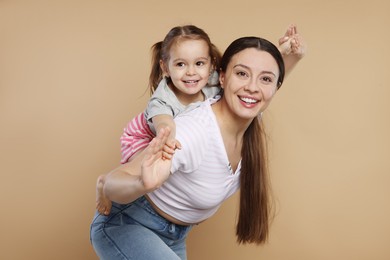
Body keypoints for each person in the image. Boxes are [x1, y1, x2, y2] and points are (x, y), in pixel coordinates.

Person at [91, 34, 301, 260]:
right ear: (221, 77)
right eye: (241, 74)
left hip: (175, 236)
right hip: (128, 224)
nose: (252, 87)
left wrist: (293, 56)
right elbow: (114, 181)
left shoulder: (251, 120)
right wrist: (141, 183)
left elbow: (261, 87)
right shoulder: (192, 132)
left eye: (266, 79)